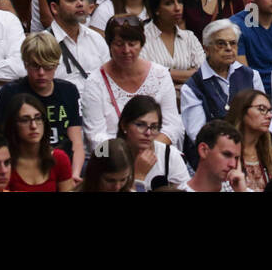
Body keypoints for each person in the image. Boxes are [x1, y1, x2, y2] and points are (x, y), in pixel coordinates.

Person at [81, 15, 182, 150]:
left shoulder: (161, 75)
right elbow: (95, 136)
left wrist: (150, 149)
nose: (126, 50)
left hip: (155, 151)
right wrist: (129, 153)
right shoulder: (95, 82)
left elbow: (173, 126)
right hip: (114, 158)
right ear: (109, 45)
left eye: (132, 44)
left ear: (141, 44)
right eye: (119, 44)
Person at [184, 120, 247, 192]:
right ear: (204, 150)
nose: (232, 164)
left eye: (236, 158)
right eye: (226, 155)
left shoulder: (240, 188)